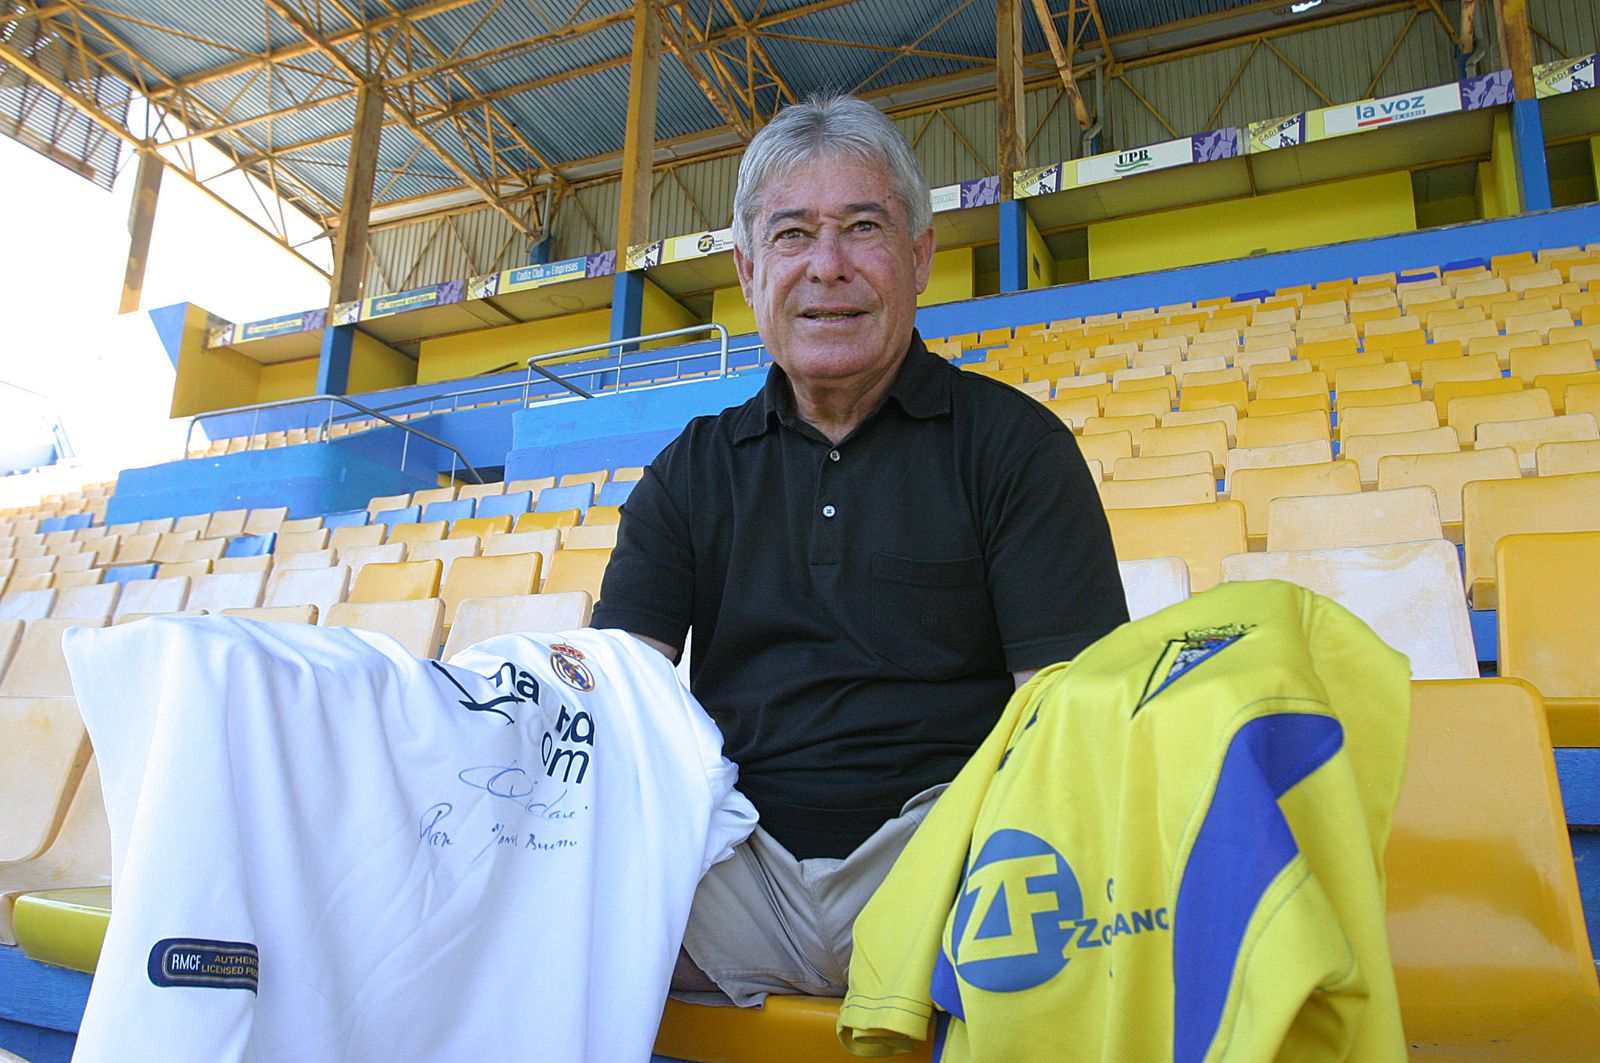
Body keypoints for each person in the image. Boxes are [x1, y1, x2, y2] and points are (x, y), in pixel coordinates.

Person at [591, 94, 1127, 1005]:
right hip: (733, 868)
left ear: (918, 256)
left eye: (863, 228)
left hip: (951, 866)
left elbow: (1065, 720)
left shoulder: (1015, 447)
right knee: (534, 894)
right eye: (793, 234)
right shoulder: (689, 471)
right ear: (749, 268)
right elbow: (618, 698)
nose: (827, 267)